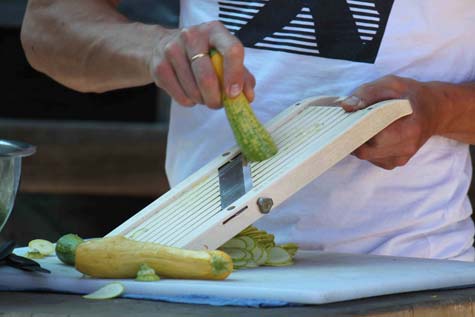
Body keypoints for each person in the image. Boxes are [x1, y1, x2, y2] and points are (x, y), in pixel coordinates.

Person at [21, 0, 475, 260]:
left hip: (408, 272)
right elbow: (50, 24)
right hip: (199, 260)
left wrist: (440, 109)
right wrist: (157, 49)